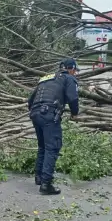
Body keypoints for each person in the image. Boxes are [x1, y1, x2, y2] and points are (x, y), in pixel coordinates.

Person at [28, 58, 79, 195]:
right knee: (53, 147)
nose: (75, 73)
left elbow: (30, 100)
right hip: (49, 115)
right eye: (75, 71)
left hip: (35, 113)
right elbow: (73, 98)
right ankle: (46, 184)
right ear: (71, 69)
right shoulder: (69, 79)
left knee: (43, 146)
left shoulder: (46, 78)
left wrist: (36, 112)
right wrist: (75, 113)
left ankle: (39, 177)